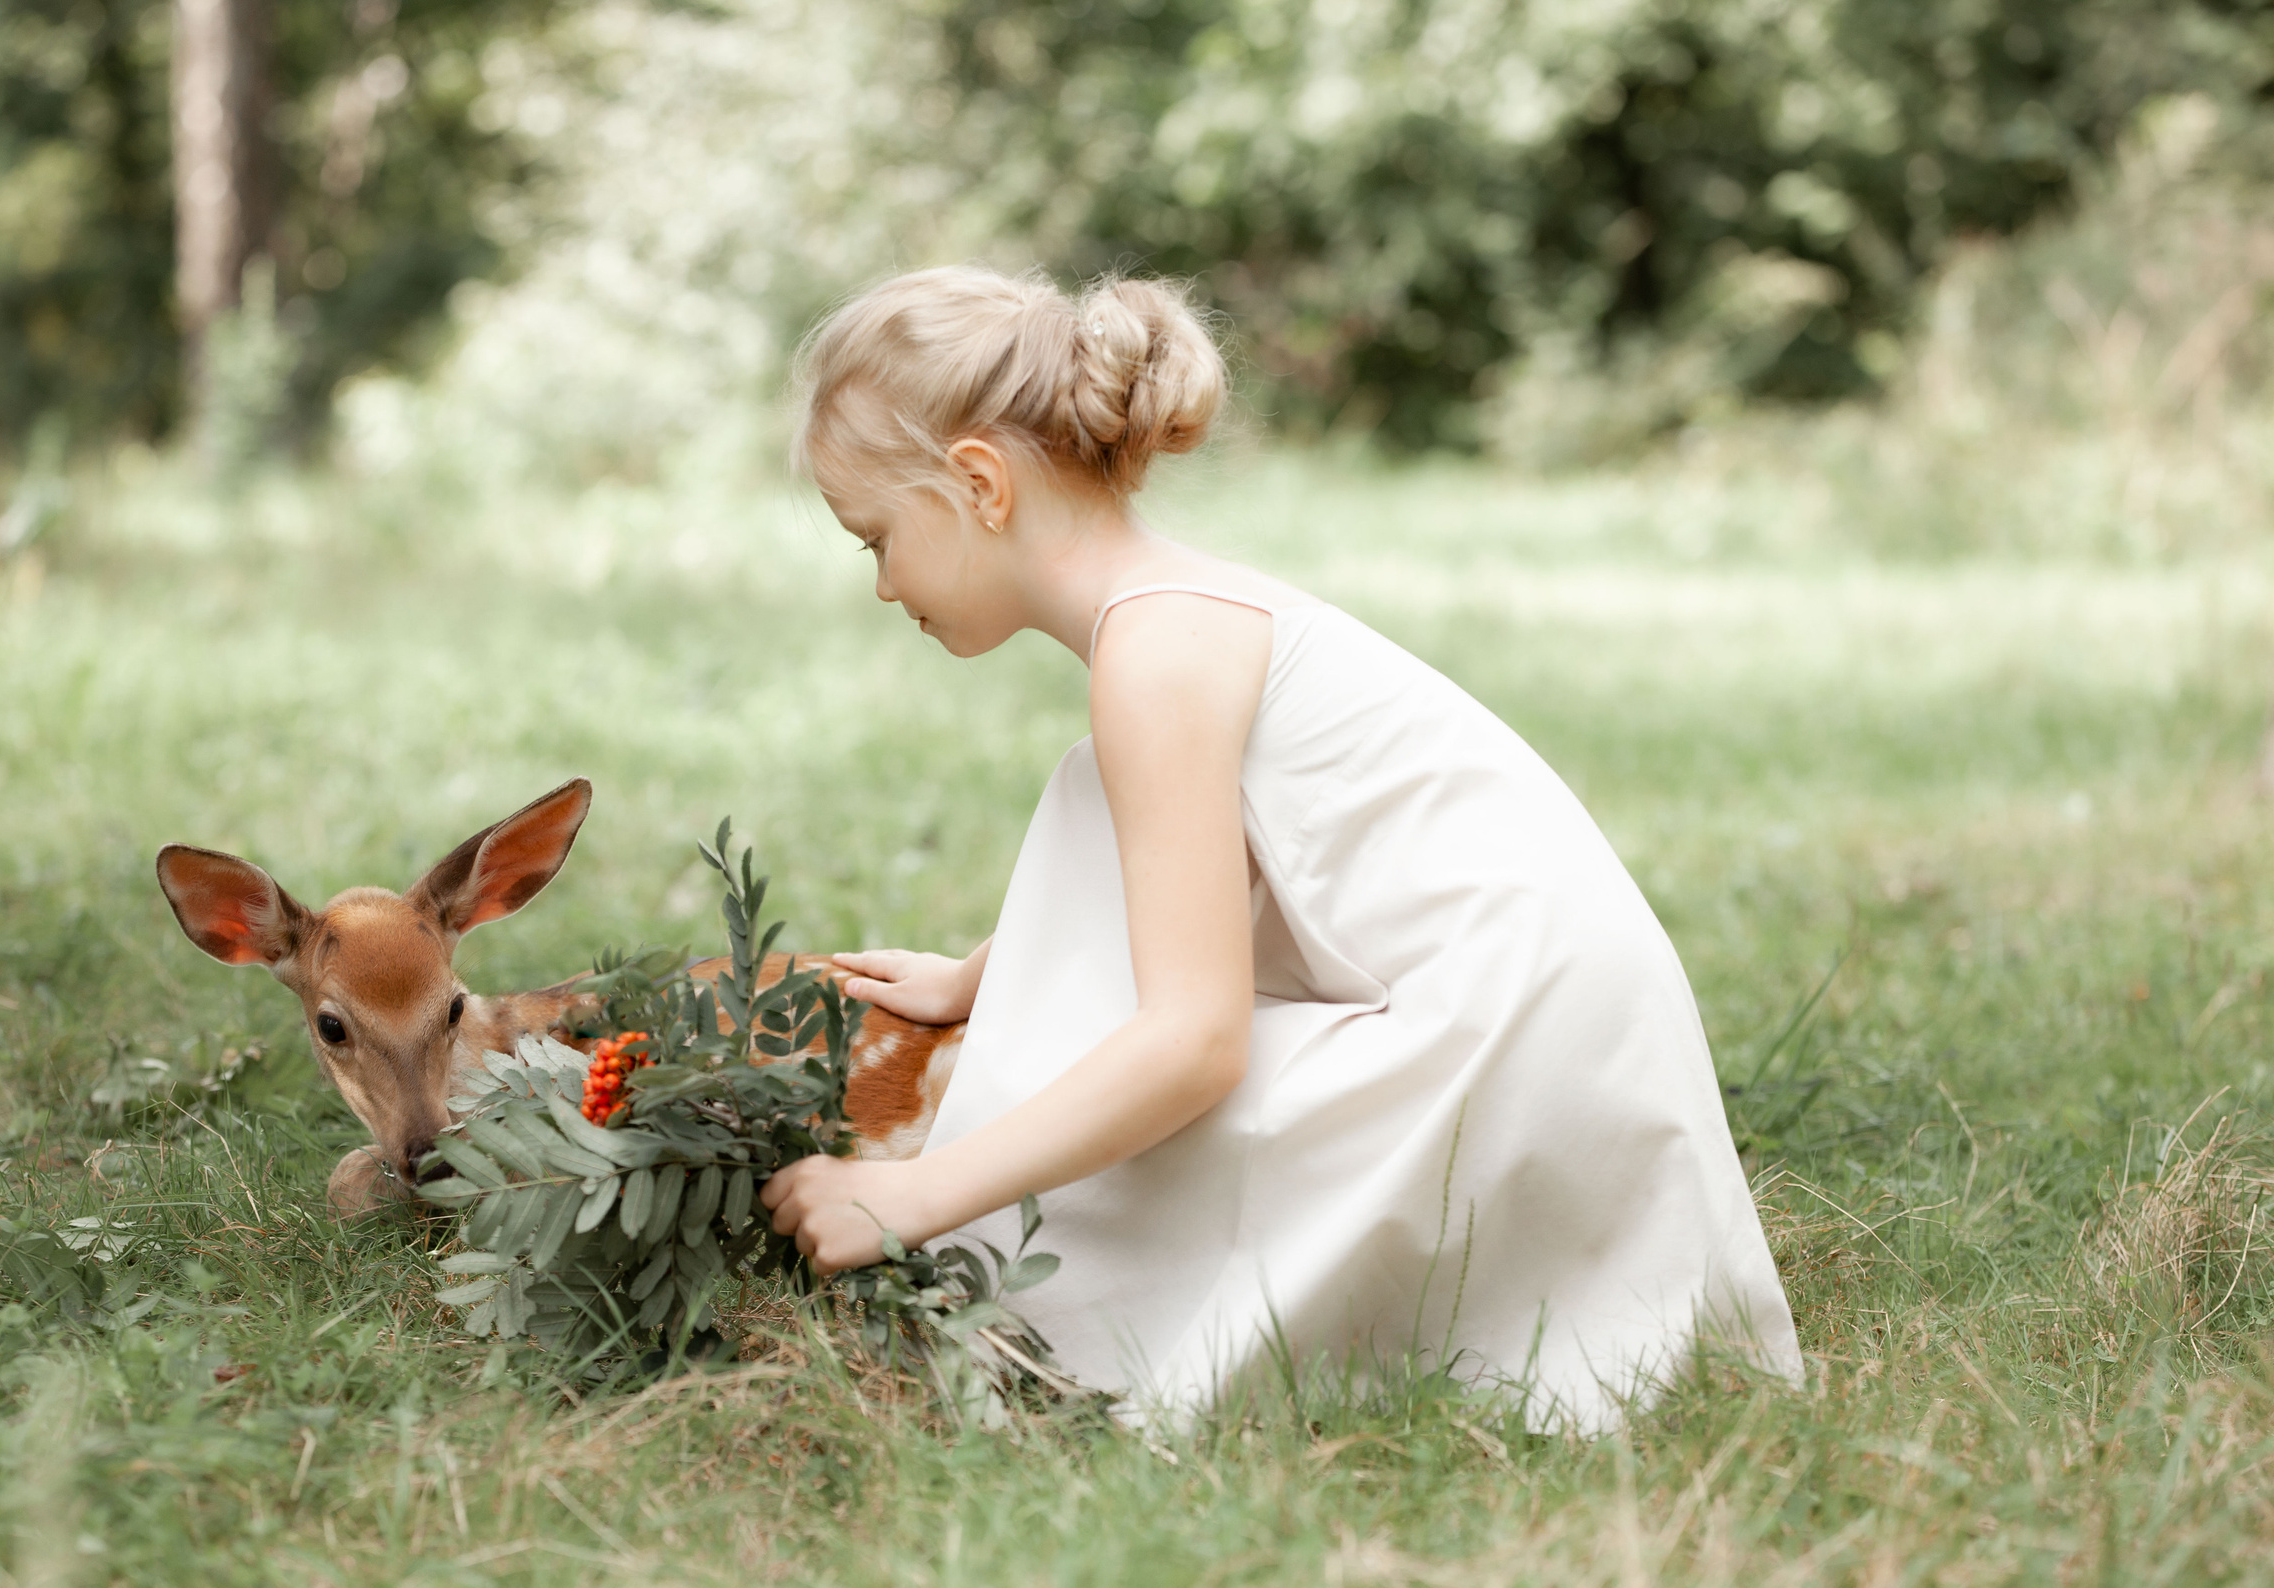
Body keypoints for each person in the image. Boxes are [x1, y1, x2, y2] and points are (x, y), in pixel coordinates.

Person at [760, 264, 1801, 1430]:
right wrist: (970, 980)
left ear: (978, 485)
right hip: (1571, 1030)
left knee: (1128, 1119)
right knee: (1090, 894)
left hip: (1517, 1050)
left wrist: (913, 1195)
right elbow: (1205, 865)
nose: (884, 584)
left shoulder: (1155, 655)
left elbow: (1195, 1041)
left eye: (876, 540)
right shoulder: (1174, 616)